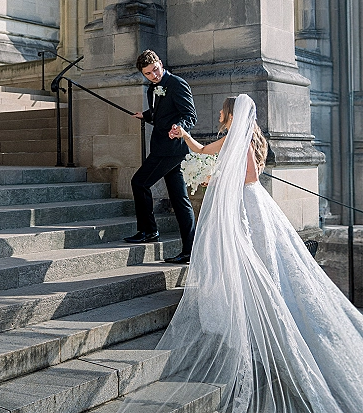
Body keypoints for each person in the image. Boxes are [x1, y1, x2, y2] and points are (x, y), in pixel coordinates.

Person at [123, 93, 363, 413]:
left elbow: (250, 176)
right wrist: (184, 135)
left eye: (223, 111)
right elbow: (202, 150)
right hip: (235, 201)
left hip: (247, 203)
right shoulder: (229, 138)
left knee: (252, 254)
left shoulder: (244, 141)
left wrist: (220, 177)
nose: (221, 115)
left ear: (231, 114)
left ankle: (262, 306)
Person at [123, 50, 196, 264]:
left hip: (171, 148)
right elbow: (159, 111)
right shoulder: (152, 88)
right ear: (143, 75)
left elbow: (190, 115)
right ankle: (190, 251)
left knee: (139, 182)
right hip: (163, 148)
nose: (154, 75)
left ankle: (148, 231)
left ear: (160, 63)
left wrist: (179, 128)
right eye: (148, 73)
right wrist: (145, 115)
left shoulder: (177, 83)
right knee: (180, 200)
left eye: (155, 70)